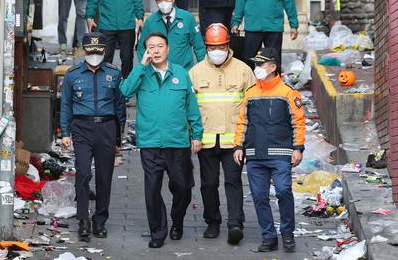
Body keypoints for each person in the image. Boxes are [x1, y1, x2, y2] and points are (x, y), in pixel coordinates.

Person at [120, 32, 203, 249]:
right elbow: (125, 92)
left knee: (183, 187)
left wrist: (197, 134)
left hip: (178, 142)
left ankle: (177, 219)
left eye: (159, 46)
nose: (155, 51)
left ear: (168, 49)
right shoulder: (142, 74)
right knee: (152, 190)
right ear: (146, 51)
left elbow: (191, 106)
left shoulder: (181, 74)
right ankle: (158, 232)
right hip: (150, 143)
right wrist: (140, 65)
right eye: (150, 47)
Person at [232, 47, 305, 253]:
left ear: (273, 67)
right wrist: (238, 146)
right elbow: (242, 122)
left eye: (261, 64)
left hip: (281, 154)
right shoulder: (251, 94)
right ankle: (269, 237)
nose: (257, 68)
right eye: (256, 64)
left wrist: (298, 148)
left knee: (283, 191)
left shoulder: (287, 93)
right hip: (255, 155)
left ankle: (287, 234)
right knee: (259, 196)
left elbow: (297, 123)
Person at [188, 23, 255, 245]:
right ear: (206, 47)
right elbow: (188, 107)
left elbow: (253, 105)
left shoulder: (243, 70)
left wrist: (246, 141)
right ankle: (212, 221)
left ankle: (235, 224)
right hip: (206, 141)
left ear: (228, 45)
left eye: (221, 46)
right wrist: (192, 136)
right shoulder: (195, 72)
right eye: (211, 47)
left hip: (233, 141)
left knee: (233, 182)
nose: (216, 51)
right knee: (208, 184)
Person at [60, 32, 126, 242]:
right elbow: (66, 105)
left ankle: (100, 220)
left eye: (98, 51)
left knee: (104, 177)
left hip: (106, 127)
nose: (94, 55)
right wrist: (65, 132)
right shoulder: (72, 75)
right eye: (90, 51)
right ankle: (82, 220)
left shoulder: (114, 74)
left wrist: (118, 138)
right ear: (84, 51)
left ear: (104, 52)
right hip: (81, 127)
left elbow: (119, 107)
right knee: (82, 172)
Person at [137, 0, 205, 70]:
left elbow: (199, 47)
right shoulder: (150, 22)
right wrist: (145, 69)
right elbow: (141, 49)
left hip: (183, 72)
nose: (163, 2)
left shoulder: (187, 18)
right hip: (157, 73)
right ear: (155, 1)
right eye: (159, 0)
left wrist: (203, 70)